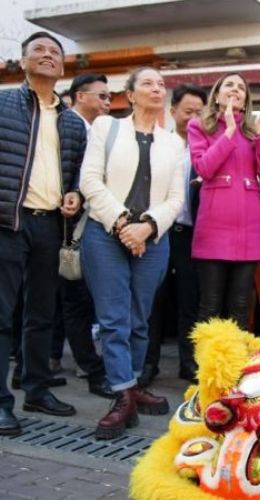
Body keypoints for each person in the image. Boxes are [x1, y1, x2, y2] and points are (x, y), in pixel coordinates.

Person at [0, 32, 85, 435]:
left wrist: (75, 195)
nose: (47, 56)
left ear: (63, 66)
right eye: (38, 51)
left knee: (42, 313)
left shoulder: (74, 123)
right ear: (22, 62)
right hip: (4, 222)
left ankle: (37, 389)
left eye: (55, 52)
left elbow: (76, 176)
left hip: (49, 225)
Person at [79, 67, 185, 440]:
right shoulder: (106, 128)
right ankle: (123, 393)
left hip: (152, 237)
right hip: (106, 233)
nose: (156, 89)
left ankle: (132, 384)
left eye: (161, 84)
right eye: (147, 84)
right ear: (131, 94)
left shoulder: (173, 142)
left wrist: (148, 226)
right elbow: (90, 181)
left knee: (141, 317)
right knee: (113, 319)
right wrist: (124, 224)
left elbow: (176, 198)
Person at [188, 73, 260, 328]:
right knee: (211, 305)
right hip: (214, 228)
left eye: (241, 87)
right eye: (229, 85)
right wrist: (227, 132)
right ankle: (207, 365)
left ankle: (237, 365)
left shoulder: (253, 131)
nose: (235, 90)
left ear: (246, 99)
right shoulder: (199, 126)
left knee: (241, 305)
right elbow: (203, 168)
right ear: (216, 95)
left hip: (249, 229)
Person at [50, 72, 114, 399]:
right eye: (101, 96)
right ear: (80, 96)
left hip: (80, 224)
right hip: (66, 227)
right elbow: (66, 175)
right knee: (74, 301)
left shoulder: (93, 128)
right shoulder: (71, 125)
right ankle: (91, 368)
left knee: (68, 301)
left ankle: (40, 365)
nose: (107, 102)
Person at [140, 83, 206, 387]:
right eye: (187, 111)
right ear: (174, 111)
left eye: (199, 112)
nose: (193, 117)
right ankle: (147, 362)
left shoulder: (206, 144)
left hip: (194, 233)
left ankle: (188, 362)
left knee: (190, 301)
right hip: (161, 230)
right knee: (154, 298)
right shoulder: (160, 143)